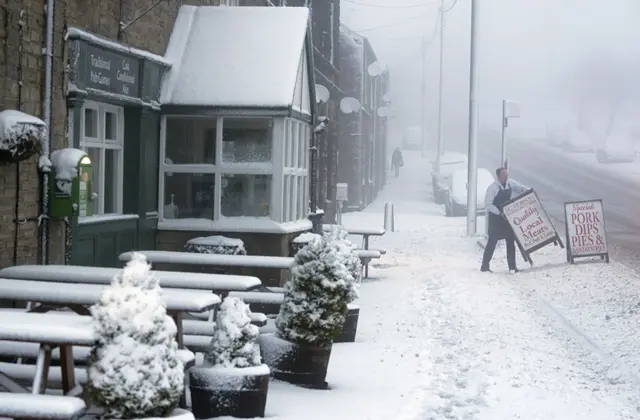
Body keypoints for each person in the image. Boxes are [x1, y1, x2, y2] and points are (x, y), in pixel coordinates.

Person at [480, 167, 530, 274]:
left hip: (507, 218)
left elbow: (520, 188)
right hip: (496, 219)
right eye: (504, 175)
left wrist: (530, 191)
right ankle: (484, 266)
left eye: (506, 175)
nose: (506, 177)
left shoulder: (510, 183)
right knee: (492, 243)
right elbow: (488, 205)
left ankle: (512, 267)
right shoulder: (492, 188)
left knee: (510, 241)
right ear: (498, 176)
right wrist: (499, 212)